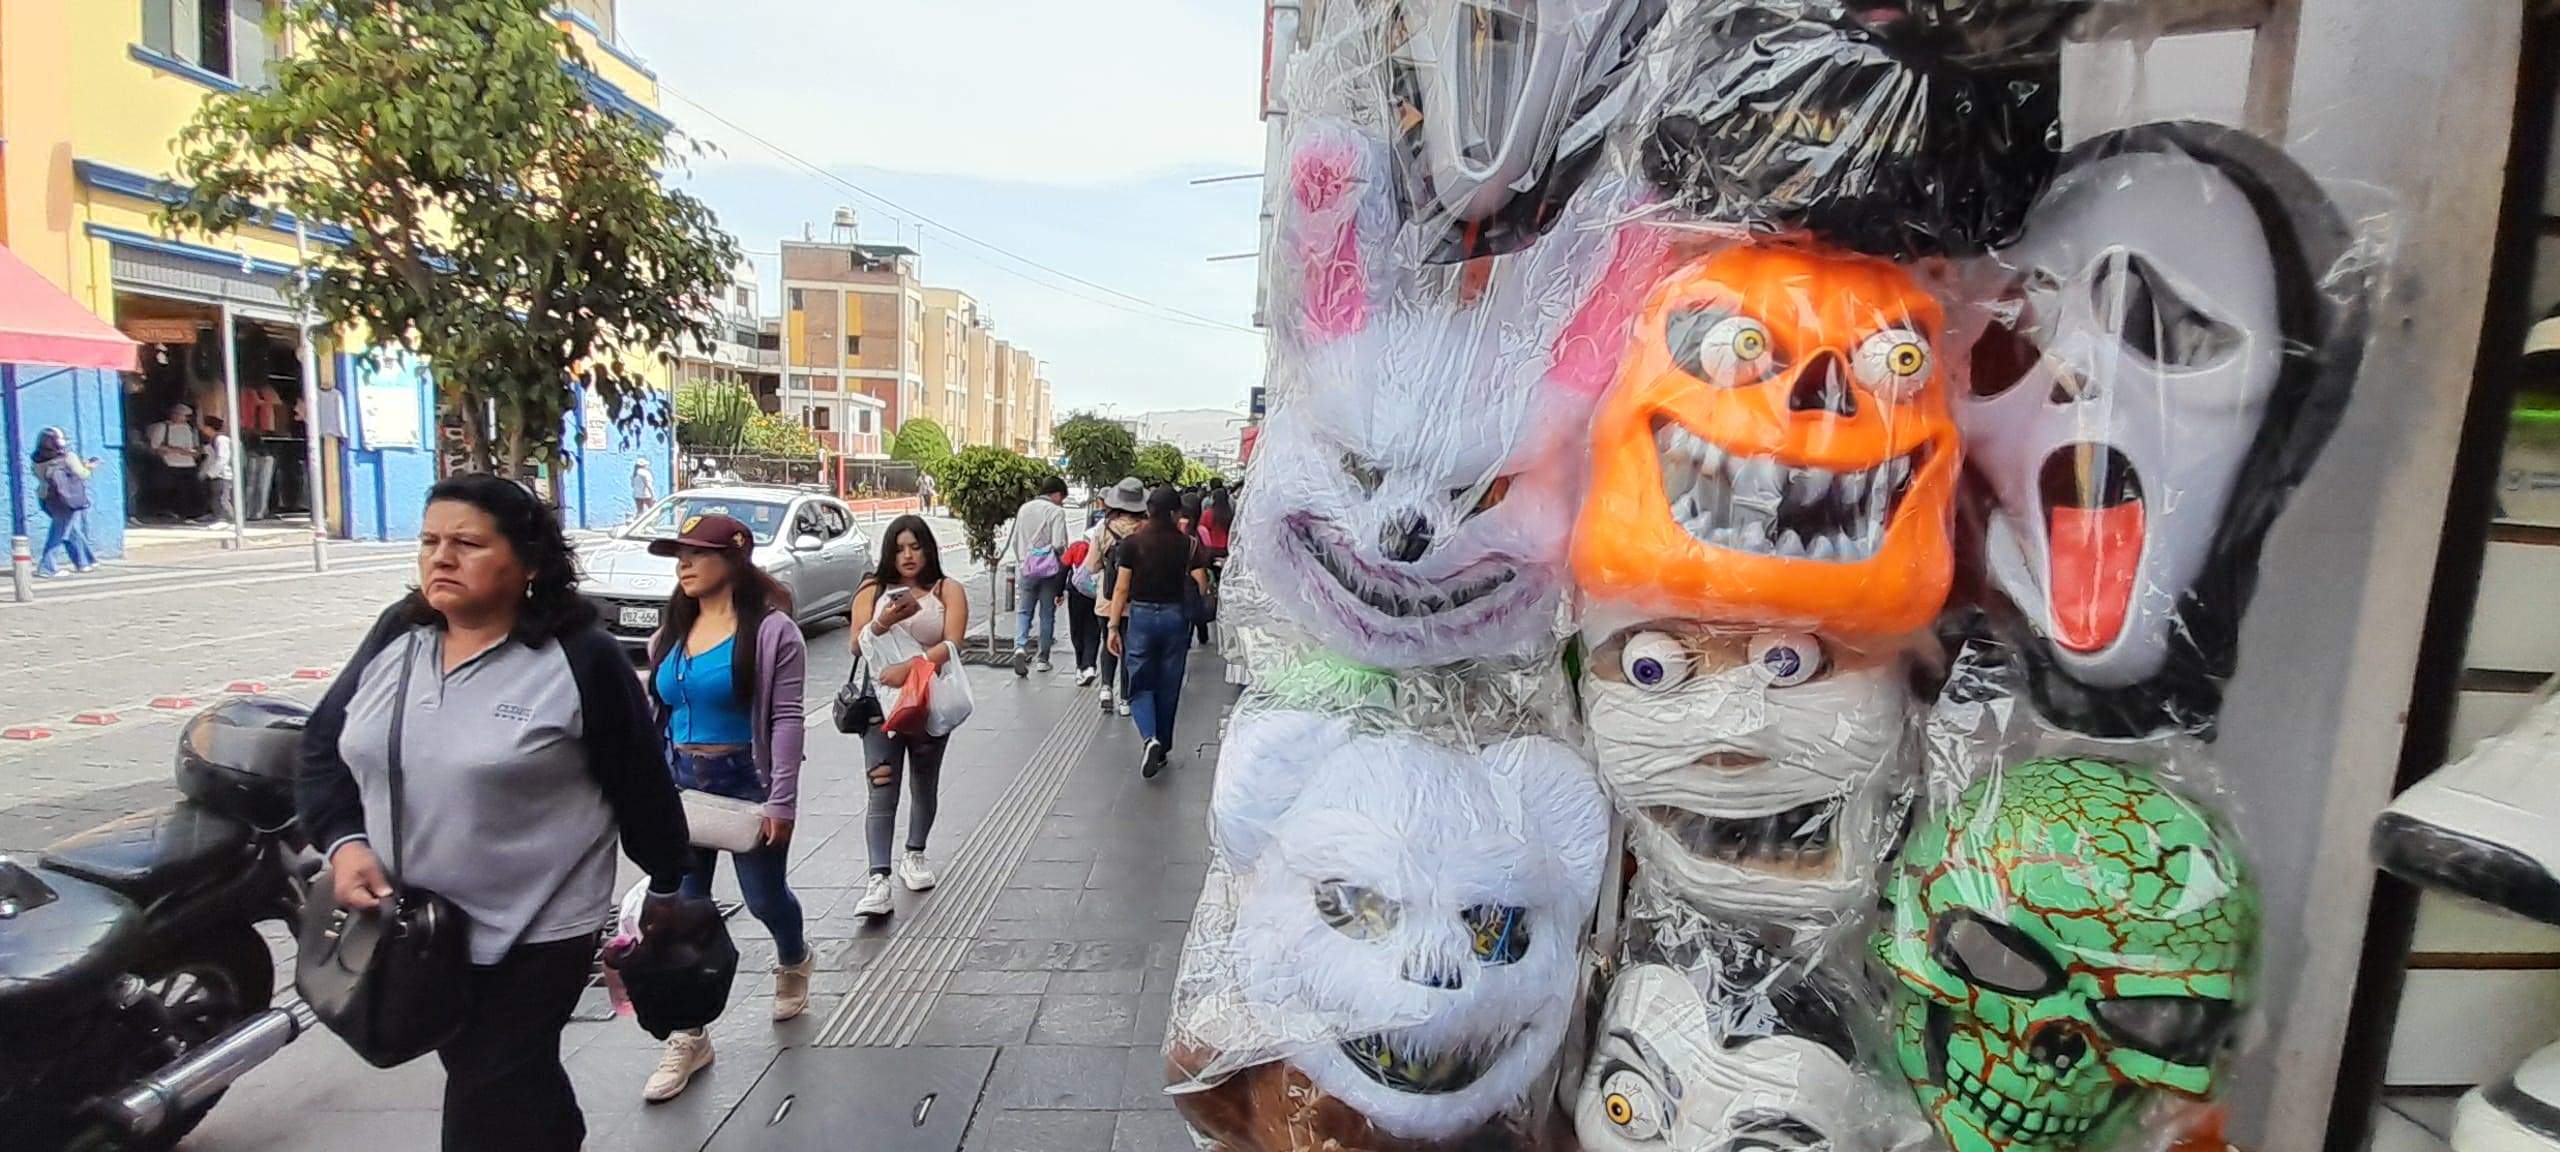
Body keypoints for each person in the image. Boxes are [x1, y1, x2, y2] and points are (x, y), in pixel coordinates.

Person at [296, 473, 695, 1152]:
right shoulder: (400, 633)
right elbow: (321, 749)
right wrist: (344, 843)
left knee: (486, 1093)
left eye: (467, 543)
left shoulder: (580, 658)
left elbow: (641, 786)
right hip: (414, 926)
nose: (440, 558)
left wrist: (668, 889)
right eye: (429, 541)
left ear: (529, 564)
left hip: (535, 930)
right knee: (513, 1079)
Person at [639, 513, 811, 1102]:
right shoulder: (670, 633)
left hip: (744, 780)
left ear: (734, 558)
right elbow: (655, 716)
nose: (683, 565)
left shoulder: (771, 633)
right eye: (677, 555)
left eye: (695, 553)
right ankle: (689, 1034)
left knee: (764, 899)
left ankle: (794, 958)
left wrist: (781, 798)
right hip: (678, 784)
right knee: (685, 913)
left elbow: (786, 717)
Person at [850, 515, 969, 918]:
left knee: (924, 779)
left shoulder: (947, 589)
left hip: (927, 701)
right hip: (880, 705)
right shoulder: (873, 589)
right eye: (900, 548)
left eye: (915, 547)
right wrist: (884, 620)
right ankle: (877, 879)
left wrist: (913, 665)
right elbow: (856, 644)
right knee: (881, 788)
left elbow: (953, 643)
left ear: (928, 549)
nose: (908, 556)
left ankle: (914, 854)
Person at [1104, 486, 1213, 778]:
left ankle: (1150, 737)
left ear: (1149, 510)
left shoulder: (1132, 543)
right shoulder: (1187, 545)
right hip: (1176, 618)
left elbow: (1121, 587)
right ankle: (1162, 747)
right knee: (1169, 682)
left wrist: (1113, 626)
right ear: (1176, 512)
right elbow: (1201, 581)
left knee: (1140, 680)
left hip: (1140, 616)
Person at [1080, 478, 1147, 715]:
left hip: (1107, 600)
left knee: (1108, 641)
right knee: (1131, 649)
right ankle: (1126, 698)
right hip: (1138, 600)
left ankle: (1106, 688)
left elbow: (1092, 566)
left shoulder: (1103, 529)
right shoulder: (1146, 530)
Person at [1006, 475, 1074, 675]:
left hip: (1027, 567)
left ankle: (1020, 647)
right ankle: (1043, 659)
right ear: (1056, 494)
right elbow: (1059, 544)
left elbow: (1016, 539)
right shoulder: (1056, 512)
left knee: (1024, 611)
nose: (1061, 502)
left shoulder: (1024, 509)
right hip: (1049, 572)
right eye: (1062, 497)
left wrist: (1023, 561)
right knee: (1047, 614)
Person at [31, 428, 99, 577]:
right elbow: (83, 474)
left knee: (70, 529)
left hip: (46, 498)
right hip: (66, 500)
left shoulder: (36, 459)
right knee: (59, 533)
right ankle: (47, 567)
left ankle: (84, 561)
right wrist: (89, 466)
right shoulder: (68, 457)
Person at [145, 401, 202, 520]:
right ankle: (168, 512)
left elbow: (196, 447)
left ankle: (187, 514)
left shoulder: (190, 429)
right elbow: (155, 446)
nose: (184, 418)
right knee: (169, 489)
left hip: (188, 464)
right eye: (182, 415)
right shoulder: (163, 427)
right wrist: (176, 450)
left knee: (187, 490)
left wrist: (192, 453)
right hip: (170, 464)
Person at [201, 414, 236, 528]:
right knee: (215, 497)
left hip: (222, 474)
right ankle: (218, 517)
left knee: (223, 498)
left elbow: (223, 458)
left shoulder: (221, 440)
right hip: (215, 474)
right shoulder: (213, 440)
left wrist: (212, 473)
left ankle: (229, 519)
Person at [631, 457, 658, 523]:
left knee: (640, 511)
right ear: (644, 465)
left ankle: (637, 524)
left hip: (637, 495)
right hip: (646, 495)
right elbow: (649, 485)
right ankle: (652, 523)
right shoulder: (646, 473)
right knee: (653, 510)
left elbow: (632, 485)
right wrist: (653, 495)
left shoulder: (634, 474)